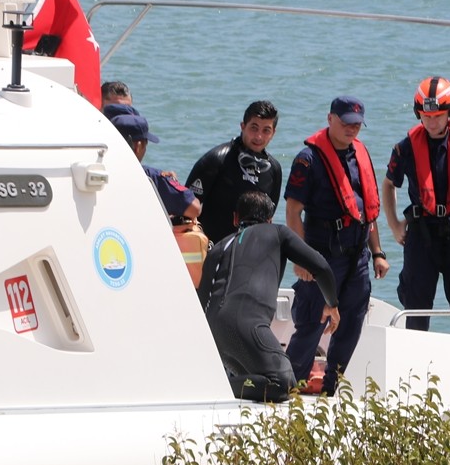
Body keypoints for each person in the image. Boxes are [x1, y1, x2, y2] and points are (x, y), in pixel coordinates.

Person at [283, 96, 390, 396]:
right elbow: (293, 211)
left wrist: (378, 253)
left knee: (352, 323)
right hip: (322, 256)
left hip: (357, 256)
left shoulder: (361, 154)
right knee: (312, 323)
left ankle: (333, 388)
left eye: (357, 124)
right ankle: (287, 388)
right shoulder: (308, 159)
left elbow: (368, 212)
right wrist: (301, 258)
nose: (351, 129)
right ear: (330, 119)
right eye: (345, 123)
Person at [197, 191, 340, 403]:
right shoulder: (278, 233)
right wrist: (332, 305)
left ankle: (216, 384)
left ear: (235, 218)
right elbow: (321, 267)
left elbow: (201, 300)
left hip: (213, 330)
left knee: (258, 380)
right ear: (270, 219)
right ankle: (214, 387)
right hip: (247, 324)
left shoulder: (218, 247)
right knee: (283, 383)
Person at [382, 77, 450, 335]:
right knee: (416, 312)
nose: (431, 122)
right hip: (421, 237)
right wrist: (394, 224)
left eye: (438, 116)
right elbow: (388, 185)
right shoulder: (405, 148)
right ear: (418, 114)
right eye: (426, 116)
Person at [185, 100, 284, 244]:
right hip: (212, 249)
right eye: (254, 128)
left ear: (273, 133)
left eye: (266, 130)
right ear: (243, 126)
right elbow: (185, 207)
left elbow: (268, 219)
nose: (259, 137)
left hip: (251, 251)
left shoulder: (274, 170)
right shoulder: (217, 159)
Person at [105, 103, 201, 221]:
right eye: (145, 144)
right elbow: (194, 208)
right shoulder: (153, 178)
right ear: (138, 146)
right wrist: (171, 183)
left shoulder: (96, 171)